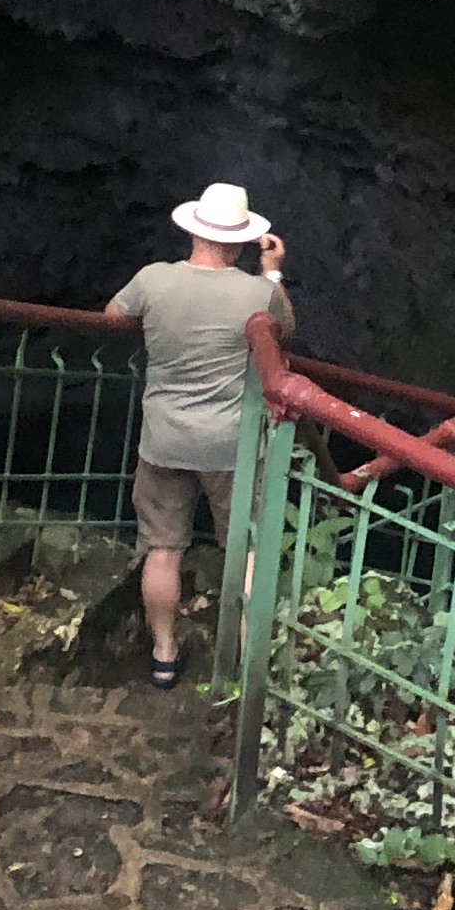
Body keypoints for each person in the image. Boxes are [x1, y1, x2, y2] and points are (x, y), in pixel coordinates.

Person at [104, 178, 294, 689]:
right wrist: (272, 271)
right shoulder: (257, 293)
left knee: (163, 549)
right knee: (245, 550)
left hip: (163, 439)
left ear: (193, 231)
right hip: (231, 445)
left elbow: (112, 316)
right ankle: (246, 672)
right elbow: (286, 331)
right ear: (241, 241)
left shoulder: (152, 279)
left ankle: (164, 655)